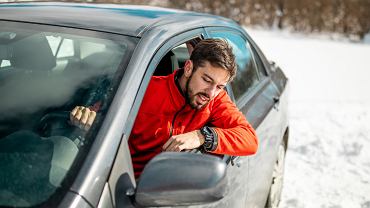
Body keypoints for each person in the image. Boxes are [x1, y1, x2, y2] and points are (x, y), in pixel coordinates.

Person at [71, 39, 258, 179]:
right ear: (188, 68)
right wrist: (85, 116)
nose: (210, 93)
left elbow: (250, 140)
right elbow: (95, 114)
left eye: (220, 86)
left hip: (170, 190)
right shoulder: (142, 90)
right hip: (118, 185)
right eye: (206, 80)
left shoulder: (216, 101)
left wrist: (201, 136)